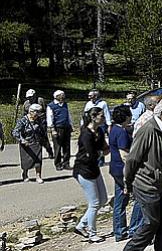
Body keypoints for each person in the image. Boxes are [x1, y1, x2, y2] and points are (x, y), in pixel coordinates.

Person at [124, 98, 162, 251]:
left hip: (161, 184)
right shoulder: (148, 130)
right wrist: (127, 183)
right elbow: (133, 158)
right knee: (151, 223)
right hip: (146, 184)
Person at [73, 107, 109, 242]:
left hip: (94, 168)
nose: (104, 118)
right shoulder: (86, 134)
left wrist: (103, 150)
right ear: (94, 117)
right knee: (94, 203)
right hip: (84, 170)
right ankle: (92, 233)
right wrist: (101, 152)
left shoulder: (99, 131)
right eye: (101, 116)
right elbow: (91, 154)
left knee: (103, 199)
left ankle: (81, 225)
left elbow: (104, 148)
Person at [109, 106, 143, 242]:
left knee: (120, 201)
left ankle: (119, 231)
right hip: (123, 170)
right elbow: (124, 154)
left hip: (115, 168)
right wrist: (133, 169)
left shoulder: (113, 129)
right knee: (139, 198)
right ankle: (134, 228)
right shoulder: (122, 132)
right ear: (126, 117)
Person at [14, 103, 51, 182]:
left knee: (38, 160)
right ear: (31, 112)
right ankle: (25, 173)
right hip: (26, 143)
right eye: (37, 112)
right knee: (26, 162)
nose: (38, 114)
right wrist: (22, 140)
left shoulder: (39, 120)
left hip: (37, 143)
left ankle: (38, 176)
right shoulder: (23, 120)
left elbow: (42, 130)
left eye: (39, 112)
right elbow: (15, 132)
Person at [48, 90, 73, 170]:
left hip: (66, 127)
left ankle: (66, 163)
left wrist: (71, 125)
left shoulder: (65, 104)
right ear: (57, 96)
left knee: (67, 146)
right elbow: (50, 118)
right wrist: (52, 129)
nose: (63, 96)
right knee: (57, 147)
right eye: (61, 95)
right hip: (57, 128)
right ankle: (58, 164)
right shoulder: (51, 106)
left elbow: (68, 115)